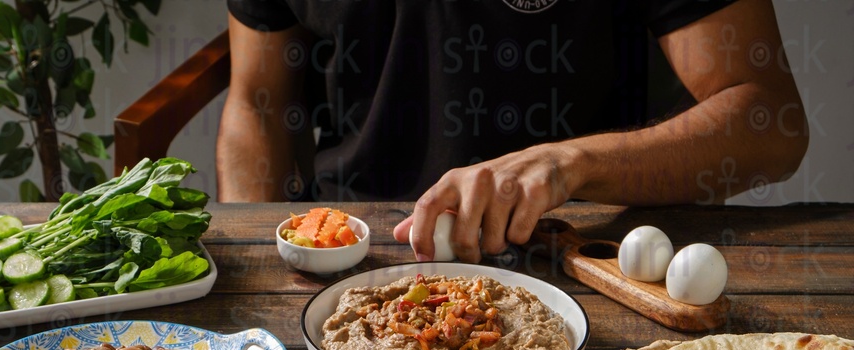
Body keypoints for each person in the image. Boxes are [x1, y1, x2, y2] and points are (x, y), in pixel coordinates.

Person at [216, 0, 807, 262]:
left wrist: (571, 163)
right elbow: (258, 106)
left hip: (583, 252)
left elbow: (770, 121)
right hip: (357, 248)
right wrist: (268, 253)